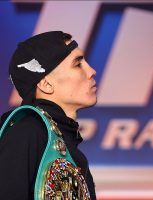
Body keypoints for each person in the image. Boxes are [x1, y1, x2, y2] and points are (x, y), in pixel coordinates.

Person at [0, 31, 97, 199]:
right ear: (46, 84)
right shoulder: (27, 132)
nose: (92, 71)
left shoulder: (61, 140)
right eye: (78, 64)